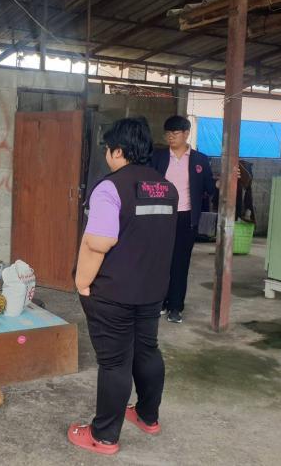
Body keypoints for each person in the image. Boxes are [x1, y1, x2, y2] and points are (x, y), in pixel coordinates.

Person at [68, 117, 178, 456]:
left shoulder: (110, 188)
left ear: (118, 151)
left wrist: (82, 283)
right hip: (152, 290)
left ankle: (103, 437)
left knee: (115, 362)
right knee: (146, 350)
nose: (107, 155)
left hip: (114, 292)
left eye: (108, 149)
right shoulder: (167, 188)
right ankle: (147, 416)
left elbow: (98, 242)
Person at [150, 115, 217, 324]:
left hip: (187, 218)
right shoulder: (158, 157)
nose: (170, 137)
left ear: (186, 134)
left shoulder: (200, 160)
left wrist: (225, 182)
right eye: (167, 133)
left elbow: (210, 188)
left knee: (180, 263)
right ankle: (160, 302)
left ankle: (176, 307)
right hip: (161, 216)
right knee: (160, 262)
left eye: (175, 133)